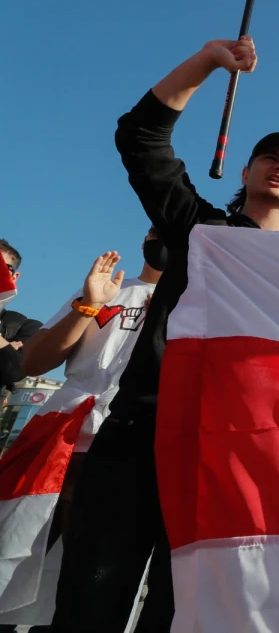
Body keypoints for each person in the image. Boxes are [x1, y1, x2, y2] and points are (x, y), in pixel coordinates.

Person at [51, 36, 279, 633]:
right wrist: (206, 60)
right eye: (269, 156)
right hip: (136, 441)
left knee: (188, 621)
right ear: (245, 171)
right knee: (87, 612)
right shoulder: (202, 231)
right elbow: (140, 139)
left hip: (232, 465)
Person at [0, 236, 163, 631]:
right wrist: (87, 306)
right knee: (11, 556)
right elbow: (34, 361)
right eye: (157, 229)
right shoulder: (109, 287)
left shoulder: (201, 303)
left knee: (83, 588)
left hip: (131, 450)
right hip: (60, 437)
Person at [0, 239, 42, 389]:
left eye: (2, 268)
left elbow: (14, 371)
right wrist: (5, 347)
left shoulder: (26, 328)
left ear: (14, 277)